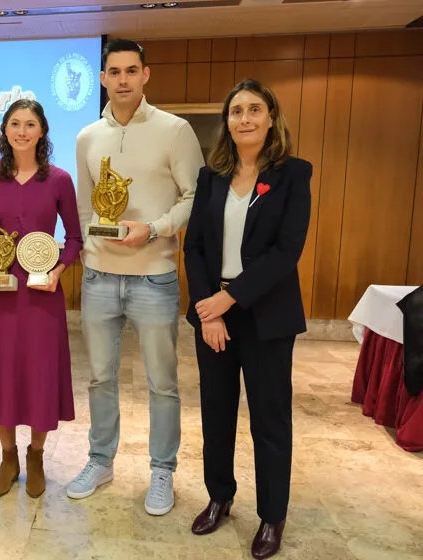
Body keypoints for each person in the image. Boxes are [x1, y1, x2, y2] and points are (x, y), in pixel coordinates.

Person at [69, 38, 204, 516]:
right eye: (114, 71)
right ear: (102, 78)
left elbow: (195, 196)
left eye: (131, 70)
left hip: (154, 276)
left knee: (162, 383)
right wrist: (90, 251)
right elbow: (84, 205)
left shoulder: (175, 130)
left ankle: (162, 470)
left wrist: (156, 228)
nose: (122, 79)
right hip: (100, 277)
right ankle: (100, 460)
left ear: (145, 74)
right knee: (100, 378)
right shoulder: (87, 137)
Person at [183, 79, 311, 559]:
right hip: (214, 316)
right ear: (227, 121)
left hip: (268, 317)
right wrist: (208, 308)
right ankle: (220, 497)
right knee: (216, 414)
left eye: (255, 109)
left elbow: (286, 251)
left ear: (271, 117)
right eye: (236, 111)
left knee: (269, 421)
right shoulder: (211, 176)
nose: (245, 119)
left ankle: (272, 515)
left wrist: (229, 298)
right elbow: (194, 246)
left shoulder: (293, 174)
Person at [0, 99, 83, 498]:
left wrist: (57, 272)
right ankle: (8, 457)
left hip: (40, 295)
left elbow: (74, 237)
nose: (22, 131)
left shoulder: (59, 180)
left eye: (30, 124)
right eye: (14, 123)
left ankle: (35, 456)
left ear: (42, 131)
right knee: (2, 374)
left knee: (39, 375)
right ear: (5, 130)